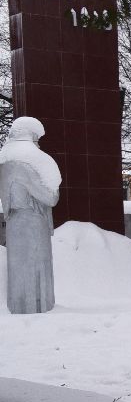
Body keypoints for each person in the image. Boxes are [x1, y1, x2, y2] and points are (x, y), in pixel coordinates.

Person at [0, 117, 60, 314]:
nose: (38, 142)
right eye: (37, 137)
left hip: (14, 222)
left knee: (19, 269)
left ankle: (20, 307)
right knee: (35, 267)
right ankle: (36, 309)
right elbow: (50, 197)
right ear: (31, 135)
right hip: (32, 222)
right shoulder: (28, 160)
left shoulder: (5, 158)